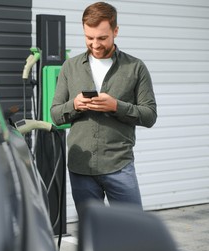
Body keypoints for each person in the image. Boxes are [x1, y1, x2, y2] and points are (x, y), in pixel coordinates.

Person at [50, 2, 157, 216]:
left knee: (132, 228)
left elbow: (149, 115)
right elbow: (55, 114)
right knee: (92, 233)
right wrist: (76, 105)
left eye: (102, 38)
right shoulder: (69, 67)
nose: (95, 44)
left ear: (115, 31)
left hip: (119, 165)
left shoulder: (135, 67)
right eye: (89, 38)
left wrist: (116, 106)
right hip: (81, 168)